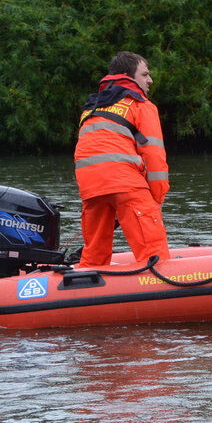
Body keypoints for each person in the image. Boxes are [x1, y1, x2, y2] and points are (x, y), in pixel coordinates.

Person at [74, 51, 170, 267]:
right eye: (144, 74)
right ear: (129, 77)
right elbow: (154, 157)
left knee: (94, 256)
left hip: (90, 188)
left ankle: (86, 282)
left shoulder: (91, 109)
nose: (150, 80)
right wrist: (157, 199)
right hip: (125, 182)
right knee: (154, 255)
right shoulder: (141, 106)